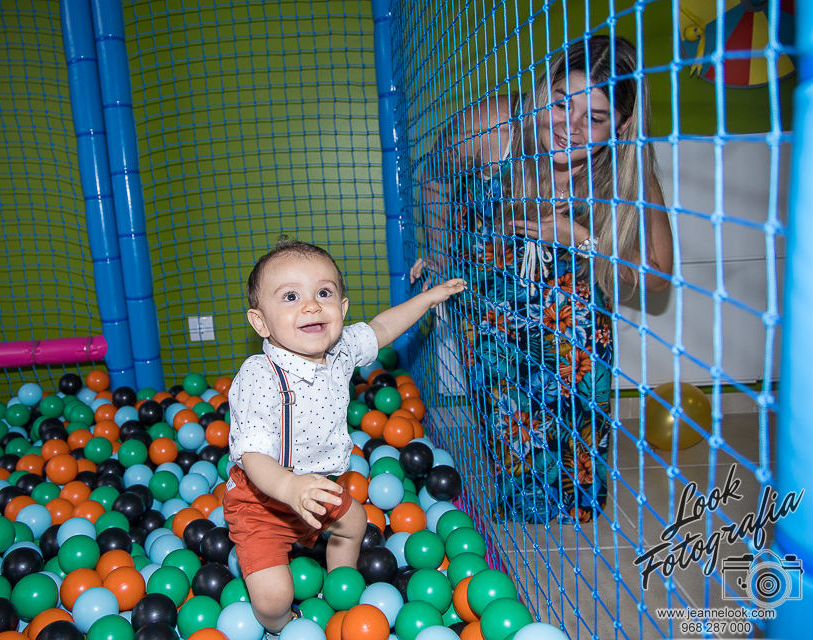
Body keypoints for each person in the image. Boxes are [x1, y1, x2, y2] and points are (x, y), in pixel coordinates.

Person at [411, 36, 673, 524]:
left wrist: (583, 239)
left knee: (578, 470)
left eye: (594, 118)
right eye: (561, 103)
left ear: (621, 124)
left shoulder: (626, 169)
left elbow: (658, 278)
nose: (569, 128)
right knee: (514, 445)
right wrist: (442, 258)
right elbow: (433, 176)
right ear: (543, 91)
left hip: (575, 315)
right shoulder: (493, 129)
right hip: (490, 308)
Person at [224, 237, 465, 635]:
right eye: (290, 297)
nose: (311, 305)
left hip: (320, 487)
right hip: (262, 501)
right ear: (261, 322)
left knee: (353, 524)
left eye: (324, 293)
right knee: (272, 598)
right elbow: (253, 457)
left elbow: (382, 327)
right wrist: (291, 488)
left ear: (343, 307)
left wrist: (427, 299)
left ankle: (339, 588)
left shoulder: (341, 349)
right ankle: (282, 624)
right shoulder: (259, 376)